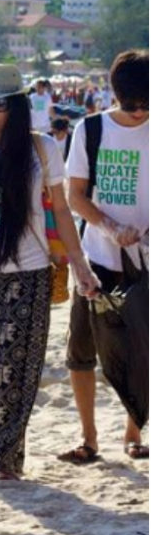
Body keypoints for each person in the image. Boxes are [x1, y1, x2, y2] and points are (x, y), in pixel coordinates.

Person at [0, 64, 101, 480]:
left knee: (19, 368)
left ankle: (0, 459)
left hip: (29, 271)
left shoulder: (42, 148)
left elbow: (62, 210)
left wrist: (80, 264)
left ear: (16, 105)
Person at [60, 49, 149, 464]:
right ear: (116, 95)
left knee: (142, 351)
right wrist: (110, 226)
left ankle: (134, 431)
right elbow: (74, 195)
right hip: (96, 257)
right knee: (81, 350)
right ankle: (89, 438)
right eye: (131, 105)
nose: (139, 113)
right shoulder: (90, 130)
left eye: (147, 104)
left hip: (145, 262)